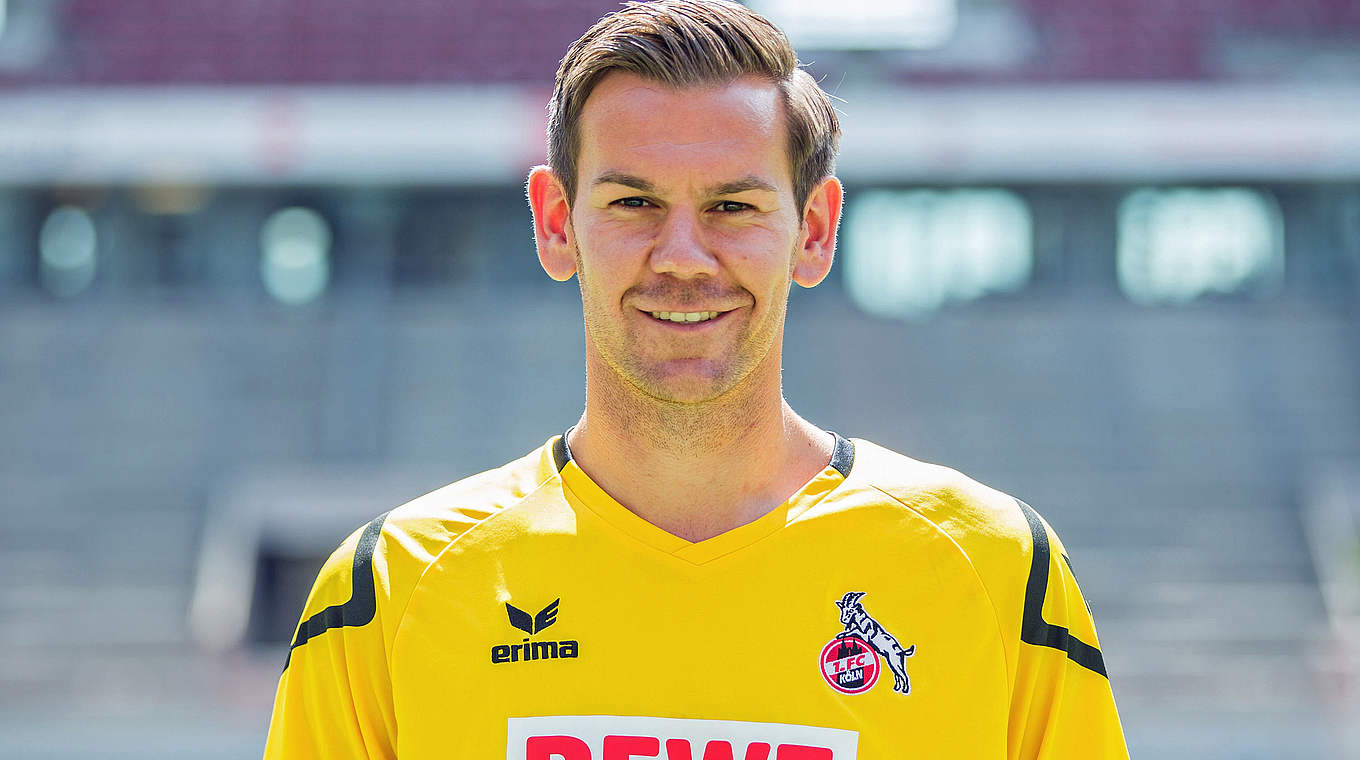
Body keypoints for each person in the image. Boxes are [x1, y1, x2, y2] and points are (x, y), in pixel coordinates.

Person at [263, 0, 1129, 757]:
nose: (682, 257)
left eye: (732, 206)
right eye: (634, 203)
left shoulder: (993, 572)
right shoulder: (390, 591)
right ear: (557, 223)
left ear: (815, 231)